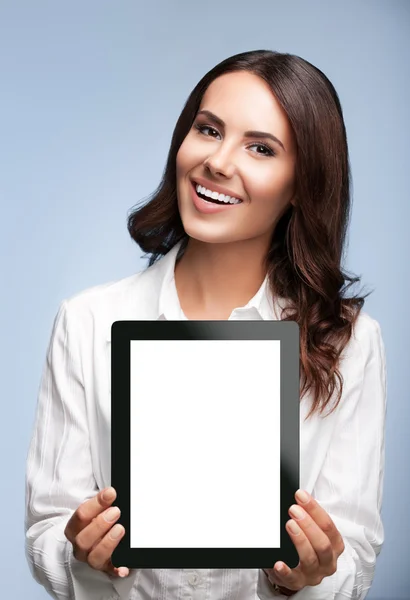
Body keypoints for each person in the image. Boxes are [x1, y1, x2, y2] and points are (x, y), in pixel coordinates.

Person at [25, 50, 387, 600]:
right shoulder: (87, 321)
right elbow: (47, 531)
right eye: (208, 129)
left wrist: (308, 577)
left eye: (261, 147)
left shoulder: (351, 342)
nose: (218, 161)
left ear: (301, 184)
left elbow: (354, 560)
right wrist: (78, 549)